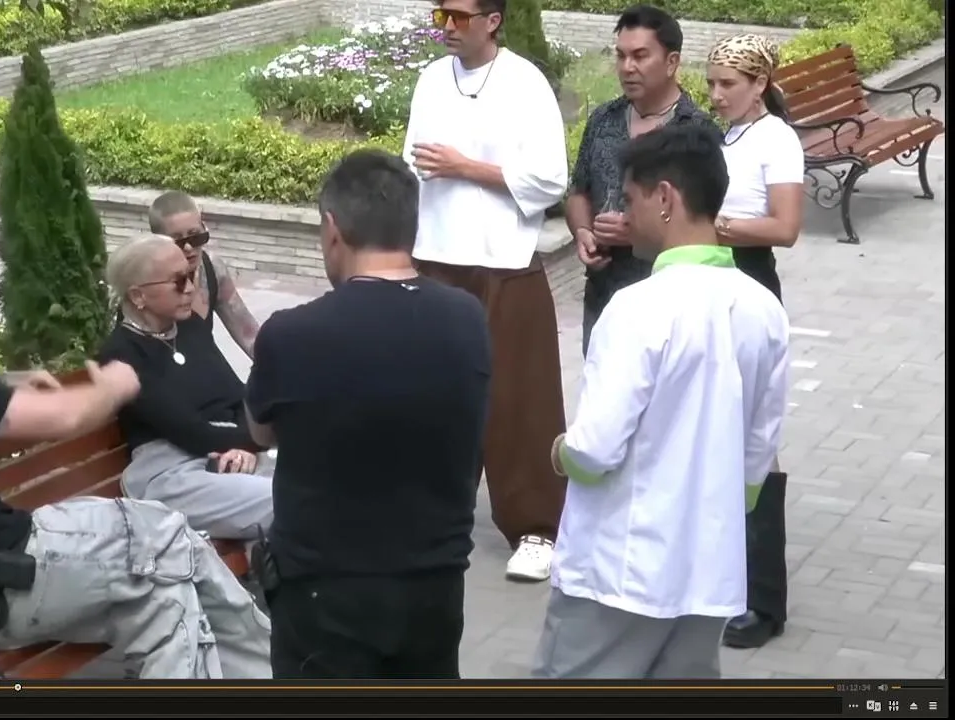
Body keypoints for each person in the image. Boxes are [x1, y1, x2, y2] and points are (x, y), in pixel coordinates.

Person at [0, 279, 272, 679]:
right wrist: (115, 384)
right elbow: (69, 417)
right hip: (15, 576)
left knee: (165, 603)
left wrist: (8, 384)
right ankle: (278, 668)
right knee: (169, 536)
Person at [530, 124, 790, 679]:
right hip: (709, 574)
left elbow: (595, 448)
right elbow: (758, 455)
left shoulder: (637, 307)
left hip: (619, 574)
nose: (624, 214)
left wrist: (559, 451)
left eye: (630, 199)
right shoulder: (763, 308)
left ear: (665, 198)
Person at [244, 149, 491, 678]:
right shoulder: (467, 318)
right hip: (435, 584)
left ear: (333, 229)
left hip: (324, 591)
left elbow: (260, 432)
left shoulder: (291, 333)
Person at [402, 0, 569, 582]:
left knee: (520, 398)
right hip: (436, 257)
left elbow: (550, 179)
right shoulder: (430, 79)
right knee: (434, 394)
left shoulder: (525, 83)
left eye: (459, 16)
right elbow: (412, 163)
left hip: (505, 261)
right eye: (440, 15)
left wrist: (466, 168)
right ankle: (432, 510)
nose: (447, 27)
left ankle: (536, 529)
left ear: (493, 20)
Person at [706, 32, 805, 650]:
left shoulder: (776, 139)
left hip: (748, 280)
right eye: (712, 84)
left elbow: (785, 227)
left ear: (759, 84)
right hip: (711, 280)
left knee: (753, 438)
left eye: (728, 85)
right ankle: (723, 577)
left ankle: (764, 601)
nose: (716, 95)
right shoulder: (728, 135)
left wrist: (714, 227)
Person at [566, 5, 723, 357]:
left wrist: (637, 230)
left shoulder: (697, 133)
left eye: (640, 56)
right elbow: (579, 192)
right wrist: (583, 232)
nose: (627, 67)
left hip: (672, 303)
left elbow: (710, 222)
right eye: (620, 56)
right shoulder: (603, 119)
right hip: (603, 295)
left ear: (671, 62)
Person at [96, 235, 275, 541]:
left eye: (190, 276)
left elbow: (238, 395)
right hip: (170, 473)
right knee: (290, 500)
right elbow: (191, 432)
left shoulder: (190, 327)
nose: (191, 288)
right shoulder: (122, 356)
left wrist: (244, 445)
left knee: (323, 476)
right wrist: (251, 442)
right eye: (178, 281)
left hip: (226, 454)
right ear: (138, 296)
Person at [147, 191, 261, 359]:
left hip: (204, 361)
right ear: (157, 242)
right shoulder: (147, 281)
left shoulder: (212, 268)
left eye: (196, 236)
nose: (189, 248)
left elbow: (248, 333)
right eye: (177, 241)